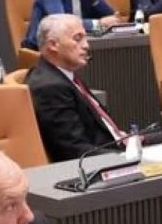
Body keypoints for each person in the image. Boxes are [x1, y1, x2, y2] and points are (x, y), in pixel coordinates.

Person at [25, 15, 124, 162]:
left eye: (85, 38)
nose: (86, 46)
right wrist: (124, 157)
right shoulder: (50, 87)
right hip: (101, 162)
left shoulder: (62, 75)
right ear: (53, 45)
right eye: (78, 39)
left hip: (115, 146)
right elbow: (74, 150)